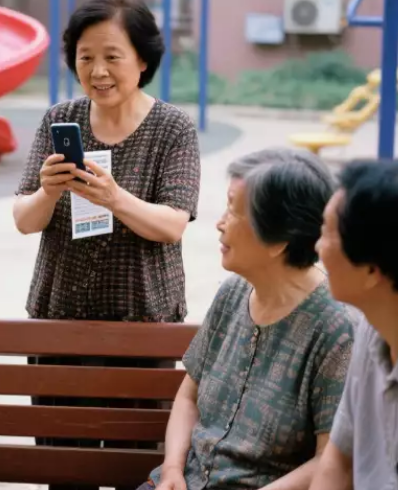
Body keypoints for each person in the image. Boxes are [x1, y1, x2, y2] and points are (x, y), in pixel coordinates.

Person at [12, 0, 200, 490]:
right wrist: (49, 192)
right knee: (65, 468)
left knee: (133, 467)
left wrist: (115, 198)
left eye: (112, 57)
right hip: (60, 320)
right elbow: (25, 220)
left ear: (143, 60)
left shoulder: (172, 128)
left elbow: (173, 223)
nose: (98, 71)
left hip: (144, 323)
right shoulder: (60, 120)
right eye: (85, 57)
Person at [139, 148, 356, 490]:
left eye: (234, 211)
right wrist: (172, 470)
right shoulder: (233, 292)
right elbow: (188, 397)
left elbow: (330, 461)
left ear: (279, 240)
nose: (220, 223)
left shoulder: (336, 329)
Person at [311, 158, 398, 490]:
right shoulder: (373, 324)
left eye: (326, 233)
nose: (317, 247)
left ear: (370, 270)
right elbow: (338, 460)